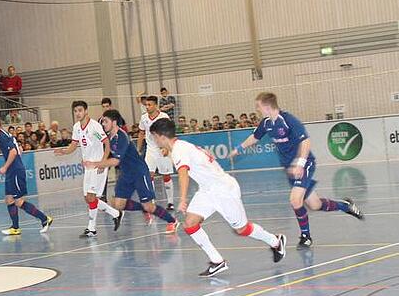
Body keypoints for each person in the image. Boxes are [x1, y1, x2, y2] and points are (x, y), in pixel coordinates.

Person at [150, 118, 286, 277]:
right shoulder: (180, 147)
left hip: (224, 191)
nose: (154, 140)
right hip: (208, 191)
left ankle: (276, 241)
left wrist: (182, 199)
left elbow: (183, 174)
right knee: (189, 223)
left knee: (241, 229)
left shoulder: (179, 150)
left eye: (154, 136)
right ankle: (217, 261)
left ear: (162, 137)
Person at [229, 92, 363, 248]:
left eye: (258, 106)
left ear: (267, 107)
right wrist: (239, 148)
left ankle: (306, 236)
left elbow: (305, 142)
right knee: (315, 205)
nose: (257, 110)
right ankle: (346, 206)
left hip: (304, 164)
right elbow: (255, 137)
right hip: (290, 168)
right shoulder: (266, 123)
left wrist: (300, 163)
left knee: (295, 200)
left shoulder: (288, 120)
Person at [88, 110, 178, 234]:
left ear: (114, 122)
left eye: (105, 121)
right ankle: (144, 208)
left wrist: (96, 164)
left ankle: (172, 221)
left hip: (138, 172)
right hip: (126, 174)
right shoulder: (109, 137)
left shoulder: (122, 136)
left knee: (149, 206)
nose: (103, 124)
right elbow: (106, 149)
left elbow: (115, 161)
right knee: (117, 204)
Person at [54, 101, 121, 238]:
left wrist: (102, 163)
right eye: (75, 111)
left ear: (86, 111)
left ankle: (92, 228)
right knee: (88, 198)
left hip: (97, 166)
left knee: (91, 196)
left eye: (80, 110)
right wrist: (64, 151)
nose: (78, 113)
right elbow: (74, 145)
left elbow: (106, 143)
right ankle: (116, 214)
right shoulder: (77, 127)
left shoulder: (95, 126)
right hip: (88, 167)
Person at [0, 114, 52, 236]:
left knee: (18, 201)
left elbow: (13, 152)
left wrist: (5, 167)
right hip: (13, 170)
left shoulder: (2, 136)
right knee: (9, 199)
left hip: (15, 171)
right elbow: (19, 149)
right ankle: (15, 227)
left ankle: (44, 219)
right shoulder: (4, 135)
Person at [137, 95, 175, 212]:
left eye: (149, 105)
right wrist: (138, 150)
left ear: (156, 105)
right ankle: (152, 203)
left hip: (163, 149)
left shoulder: (164, 116)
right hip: (151, 150)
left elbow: (170, 132)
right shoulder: (144, 118)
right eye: (146, 105)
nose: (147, 107)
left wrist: (167, 148)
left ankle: (170, 202)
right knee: (149, 175)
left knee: (166, 175)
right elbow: (141, 133)